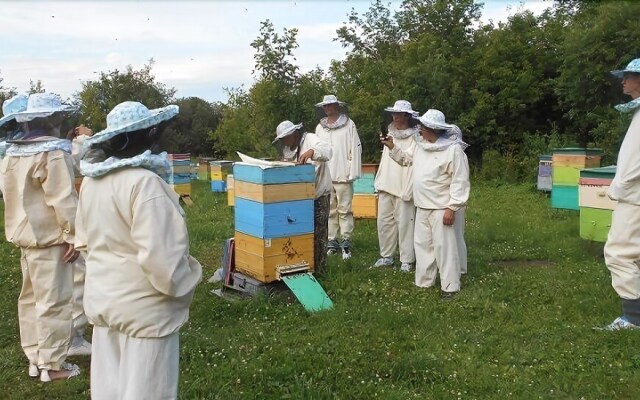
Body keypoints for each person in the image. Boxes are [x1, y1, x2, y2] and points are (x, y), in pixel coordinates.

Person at [76, 101, 202, 399]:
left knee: (110, 389)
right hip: (147, 314)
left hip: (105, 305)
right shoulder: (146, 186)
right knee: (148, 391)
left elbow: (83, 244)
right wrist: (190, 278)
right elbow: (166, 266)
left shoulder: (92, 185)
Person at [0, 93, 81, 381]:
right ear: (53, 119)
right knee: (54, 301)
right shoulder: (51, 153)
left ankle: (35, 358)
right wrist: (74, 235)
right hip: (51, 241)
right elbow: (63, 198)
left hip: (25, 240)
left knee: (30, 299)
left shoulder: (12, 154)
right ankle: (54, 365)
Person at [382, 109, 470, 300]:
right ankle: (424, 282)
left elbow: (460, 181)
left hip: (442, 208)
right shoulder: (421, 146)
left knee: (444, 248)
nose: (419, 129)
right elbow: (406, 159)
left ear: (433, 129)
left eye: (423, 127)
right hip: (422, 205)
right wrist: (392, 147)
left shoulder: (453, 150)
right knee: (423, 246)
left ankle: (450, 286)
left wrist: (452, 207)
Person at [601, 58, 640, 330]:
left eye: (628, 76)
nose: (623, 81)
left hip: (634, 197)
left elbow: (636, 161)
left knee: (619, 252)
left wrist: (618, 188)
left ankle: (633, 318)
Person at [273, 120, 333, 272]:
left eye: (285, 138)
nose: (284, 142)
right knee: (300, 233)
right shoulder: (288, 150)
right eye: (281, 139)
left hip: (318, 194)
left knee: (318, 234)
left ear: (294, 134)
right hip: (298, 197)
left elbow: (328, 150)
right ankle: (302, 266)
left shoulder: (310, 139)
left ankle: (319, 269)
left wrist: (311, 152)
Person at [373, 100, 418, 272]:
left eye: (399, 113)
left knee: (405, 224)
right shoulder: (390, 132)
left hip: (403, 185)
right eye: (394, 113)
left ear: (407, 115)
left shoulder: (416, 136)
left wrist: (392, 146)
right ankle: (386, 257)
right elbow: (387, 160)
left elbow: (409, 159)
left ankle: (407, 260)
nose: (395, 116)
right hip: (386, 183)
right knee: (384, 222)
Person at [315, 95, 362, 260]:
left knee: (345, 209)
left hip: (343, 174)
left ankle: (346, 241)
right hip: (326, 175)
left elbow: (355, 148)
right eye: (325, 106)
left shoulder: (349, 124)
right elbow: (316, 149)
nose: (328, 108)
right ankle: (331, 241)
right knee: (329, 210)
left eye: (331, 105)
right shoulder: (320, 128)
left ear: (337, 106)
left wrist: (352, 172)